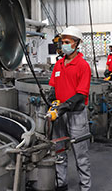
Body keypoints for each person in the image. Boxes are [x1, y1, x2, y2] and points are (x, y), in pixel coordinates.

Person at [47, 26, 91, 191]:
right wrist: (52, 102)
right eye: (62, 42)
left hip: (76, 116)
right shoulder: (58, 64)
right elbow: (53, 88)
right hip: (59, 116)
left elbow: (81, 95)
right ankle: (61, 184)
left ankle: (85, 187)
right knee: (59, 153)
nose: (63, 45)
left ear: (76, 43)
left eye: (67, 42)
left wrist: (62, 107)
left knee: (81, 156)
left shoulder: (83, 65)